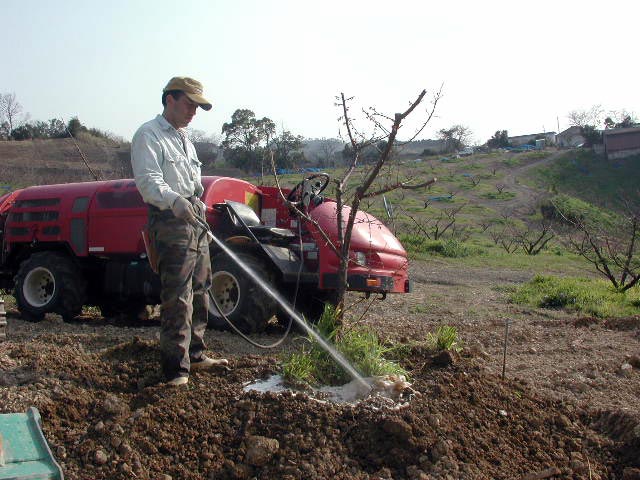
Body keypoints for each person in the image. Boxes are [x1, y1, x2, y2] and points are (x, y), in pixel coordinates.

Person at [131, 76, 228, 386]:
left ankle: (196, 355)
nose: (193, 112)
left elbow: (193, 182)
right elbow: (148, 182)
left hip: (193, 214)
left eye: (197, 107)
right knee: (178, 295)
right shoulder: (149, 135)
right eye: (189, 104)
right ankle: (176, 370)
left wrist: (197, 205)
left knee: (201, 288)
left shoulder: (184, 138)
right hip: (170, 219)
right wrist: (174, 201)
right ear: (170, 99)